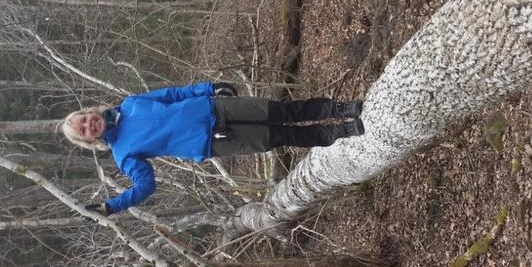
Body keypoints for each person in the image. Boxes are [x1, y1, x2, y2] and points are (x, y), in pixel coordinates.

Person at [61, 81, 364, 215]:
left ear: (90, 112)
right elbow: (145, 184)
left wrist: (208, 87)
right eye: (85, 130)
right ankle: (340, 130)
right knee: (281, 137)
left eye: (85, 119)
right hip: (213, 140)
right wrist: (114, 205)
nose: (90, 125)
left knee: (281, 112)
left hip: (214, 105)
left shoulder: (130, 104)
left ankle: (338, 108)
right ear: (88, 141)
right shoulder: (122, 154)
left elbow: (172, 94)